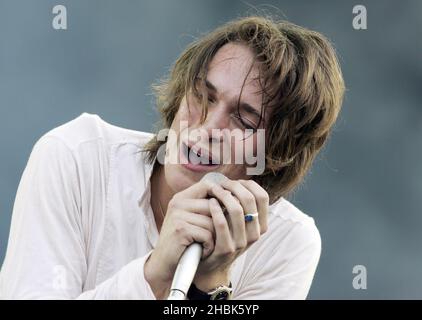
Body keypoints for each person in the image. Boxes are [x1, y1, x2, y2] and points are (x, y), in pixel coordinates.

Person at [0, 15, 344, 299]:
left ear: (277, 154)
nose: (208, 126)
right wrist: (154, 273)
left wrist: (210, 285)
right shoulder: (75, 158)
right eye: (202, 95)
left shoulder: (287, 243)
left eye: (244, 119)